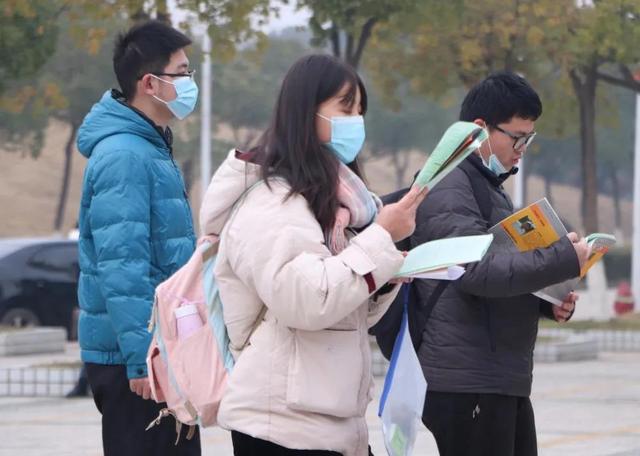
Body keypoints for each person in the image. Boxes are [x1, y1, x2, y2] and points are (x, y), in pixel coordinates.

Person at [199, 54, 427, 456]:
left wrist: (384, 276)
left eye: (360, 110)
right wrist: (379, 239)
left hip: (327, 422)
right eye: (345, 108)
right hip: (281, 426)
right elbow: (304, 301)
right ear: (306, 112)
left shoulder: (333, 203)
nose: (356, 120)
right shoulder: (272, 201)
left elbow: (346, 314)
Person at [411, 71, 591, 456]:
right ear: (479, 129)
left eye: (530, 138)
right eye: (517, 137)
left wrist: (547, 302)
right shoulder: (449, 186)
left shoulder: (488, 188)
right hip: (467, 381)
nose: (523, 148)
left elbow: (499, 274)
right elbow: (474, 272)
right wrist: (561, 259)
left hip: (495, 376)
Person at [76, 20, 200, 455]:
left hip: (160, 351)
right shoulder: (125, 155)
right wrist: (141, 358)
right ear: (150, 82)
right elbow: (121, 266)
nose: (190, 83)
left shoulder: (148, 147)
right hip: (140, 362)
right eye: (183, 73)